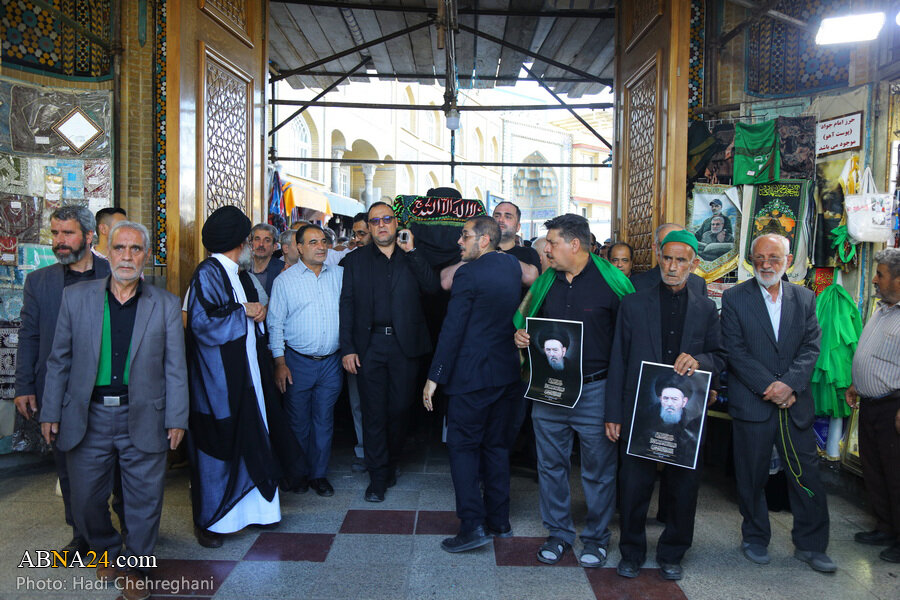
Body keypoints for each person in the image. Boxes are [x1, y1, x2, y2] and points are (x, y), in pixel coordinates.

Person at [40, 221, 187, 600]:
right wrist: (50, 412)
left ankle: (137, 569)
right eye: (119, 248)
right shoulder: (77, 298)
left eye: (136, 249)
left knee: (144, 501)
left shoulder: (166, 304)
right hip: (87, 416)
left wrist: (177, 418)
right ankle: (107, 549)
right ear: (107, 252)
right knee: (85, 499)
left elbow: (176, 367)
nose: (127, 256)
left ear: (147, 256)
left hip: (145, 414)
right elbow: (59, 360)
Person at [514, 214, 633, 568]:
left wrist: (620, 400)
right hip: (549, 388)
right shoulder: (545, 282)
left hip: (596, 390)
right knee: (551, 465)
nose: (547, 250)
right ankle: (558, 534)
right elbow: (525, 321)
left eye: (552, 243)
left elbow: (631, 340)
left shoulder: (613, 283)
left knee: (598, 470)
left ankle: (596, 538)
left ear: (575, 244)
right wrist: (521, 337)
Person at [605, 230, 724, 581]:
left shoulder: (706, 309)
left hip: (685, 413)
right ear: (659, 257)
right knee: (634, 484)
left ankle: (673, 552)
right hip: (640, 409)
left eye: (681, 260)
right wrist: (614, 413)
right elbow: (618, 359)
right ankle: (631, 552)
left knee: (684, 486)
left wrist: (700, 360)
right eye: (667, 258)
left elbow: (720, 355)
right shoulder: (634, 304)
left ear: (694, 264)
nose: (672, 267)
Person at [185, 206, 303, 548]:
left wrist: (255, 313)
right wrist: (244, 311)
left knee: (253, 437)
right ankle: (212, 520)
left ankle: (259, 512)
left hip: (247, 373)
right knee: (220, 447)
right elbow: (202, 324)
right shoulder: (208, 272)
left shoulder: (234, 272)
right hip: (219, 383)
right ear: (241, 242)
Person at [721, 233, 835, 573]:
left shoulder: (805, 298)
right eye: (759, 257)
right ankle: (755, 537)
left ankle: (811, 545)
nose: (766, 264)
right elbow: (734, 350)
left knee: (806, 475)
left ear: (787, 260)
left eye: (774, 257)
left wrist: (789, 385)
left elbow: (811, 347)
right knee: (751, 476)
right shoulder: (735, 298)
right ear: (750, 260)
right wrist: (769, 387)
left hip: (793, 403)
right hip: (753, 403)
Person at [14, 205, 114, 555]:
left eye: (67, 233)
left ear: (89, 236)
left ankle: (129, 534)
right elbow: (29, 336)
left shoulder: (115, 273)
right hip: (58, 391)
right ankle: (82, 535)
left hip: (108, 390)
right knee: (69, 467)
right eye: (55, 233)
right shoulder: (39, 282)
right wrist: (24, 386)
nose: (59, 241)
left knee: (117, 468)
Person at [422, 216, 521, 552]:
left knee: (463, 449)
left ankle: (472, 526)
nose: (459, 242)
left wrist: (434, 376)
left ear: (484, 240)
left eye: (465, 236)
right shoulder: (510, 266)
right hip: (505, 374)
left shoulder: (468, 273)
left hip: (471, 377)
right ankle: (500, 521)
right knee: (496, 447)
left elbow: (453, 328)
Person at [339, 202, 439, 502]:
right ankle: (378, 476)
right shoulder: (354, 261)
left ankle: (391, 462)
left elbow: (432, 288)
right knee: (373, 412)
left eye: (386, 219)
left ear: (396, 223)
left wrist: (413, 252)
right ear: (369, 227)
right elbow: (346, 306)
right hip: (369, 347)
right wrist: (348, 348)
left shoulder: (412, 255)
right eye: (375, 221)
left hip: (404, 346)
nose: (381, 225)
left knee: (399, 410)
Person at [268, 225, 343, 498]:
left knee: (324, 420)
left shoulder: (340, 275)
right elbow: (275, 325)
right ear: (299, 247)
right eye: (313, 242)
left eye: (323, 241)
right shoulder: (284, 281)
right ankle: (297, 473)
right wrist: (280, 363)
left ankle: (318, 475)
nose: (321, 247)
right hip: (297, 361)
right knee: (298, 422)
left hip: (331, 362)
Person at [845, 248, 900, 563]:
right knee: (875, 469)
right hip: (870, 404)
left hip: (893, 408)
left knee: (896, 474)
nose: (875, 280)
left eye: (880, 274)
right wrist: (858, 382)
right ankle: (885, 527)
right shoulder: (882, 309)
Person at [632, 223, 707, 296]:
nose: (672, 267)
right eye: (666, 244)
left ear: (694, 264)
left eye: (681, 242)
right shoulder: (637, 283)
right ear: (656, 248)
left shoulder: (699, 283)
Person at [249, 223, 284, 298]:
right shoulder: (242, 269)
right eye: (257, 239)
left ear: (275, 246)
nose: (261, 244)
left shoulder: (283, 270)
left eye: (267, 240)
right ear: (251, 243)